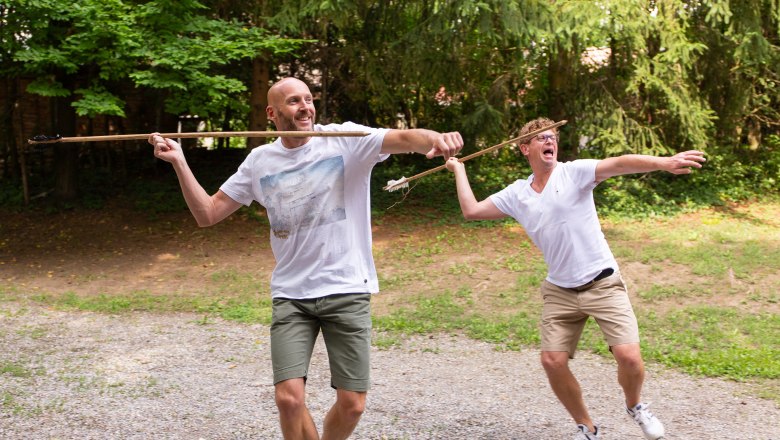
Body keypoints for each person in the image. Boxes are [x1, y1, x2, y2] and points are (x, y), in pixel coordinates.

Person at [149, 77, 463, 440]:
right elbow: (207, 213)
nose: (305, 107)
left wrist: (436, 138)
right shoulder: (260, 161)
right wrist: (178, 161)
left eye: (308, 99)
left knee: (353, 404)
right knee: (288, 399)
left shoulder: (344, 140)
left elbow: (406, 138)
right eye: (294, 101)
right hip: (291, 294)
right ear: (272, 112)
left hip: (346, 287)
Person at [444, 117, 705, 440]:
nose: (549, 141)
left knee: (629, 357)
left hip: (602, 281)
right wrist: (459, 170)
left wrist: (663, 162)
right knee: (552, 361)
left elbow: (618, 163)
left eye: (552, 137)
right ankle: (588, 428)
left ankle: (635, 405)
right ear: (525, 148)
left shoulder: (574, 173)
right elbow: (471, 211)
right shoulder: (517, 194)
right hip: (560, 291)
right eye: (541, 138)